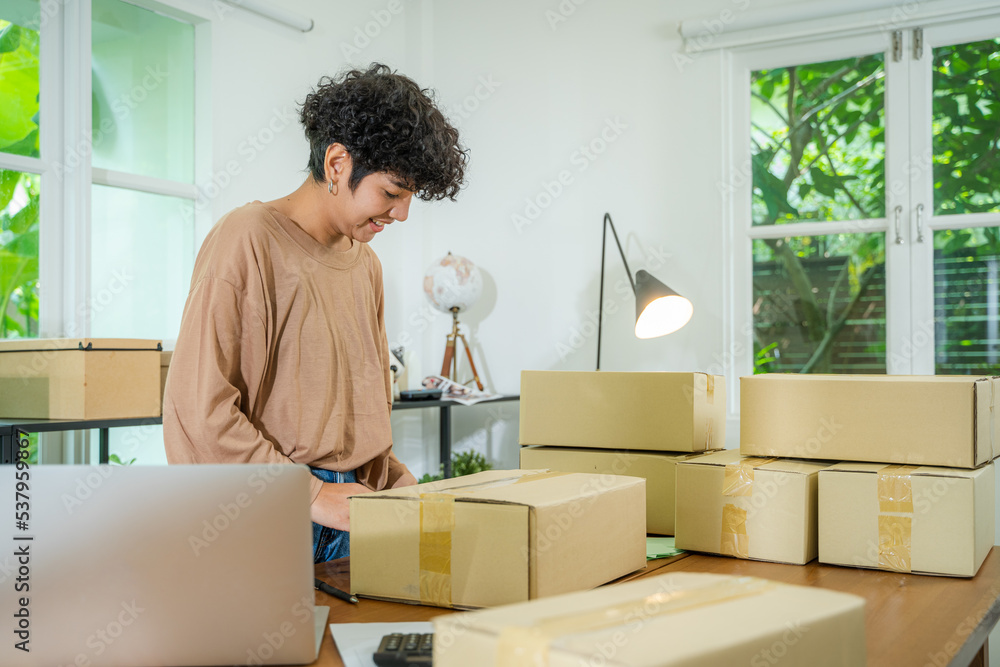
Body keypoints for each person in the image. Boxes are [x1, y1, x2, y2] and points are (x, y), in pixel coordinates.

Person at [163, 64, 468, 562]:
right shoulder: (247, 239)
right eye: (392, 193)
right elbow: (198, 410)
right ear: (337, 163)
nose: (402, 214)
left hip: (350, 513)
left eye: (409, 198)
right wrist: (310, 495)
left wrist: (393, 479)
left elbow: (354, 410)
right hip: (270, 513)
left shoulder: (365, 264)